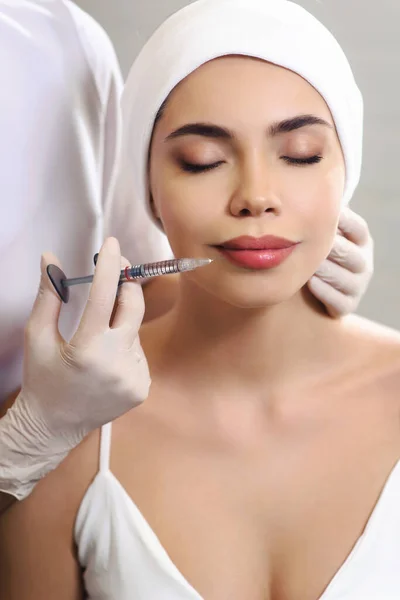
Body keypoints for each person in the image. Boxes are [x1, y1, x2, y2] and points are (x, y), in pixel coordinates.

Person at [2, 0, 400, 597]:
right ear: (149, 193)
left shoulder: (51, 35)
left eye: (301, 155)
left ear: (346, 170)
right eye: (202, 162)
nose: (256, 196)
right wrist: (28, 439)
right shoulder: (62, 434)